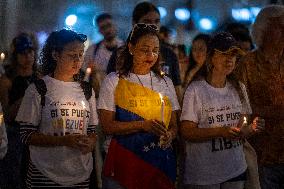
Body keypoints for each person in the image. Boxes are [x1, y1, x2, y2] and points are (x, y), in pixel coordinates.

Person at [98, 23, 180, 189]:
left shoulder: (165, 82)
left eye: (155, 50)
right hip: (123, 161)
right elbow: (107, 126)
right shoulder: (115, 80)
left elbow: (174, 126)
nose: (151, 55)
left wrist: (169, 135)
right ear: (131, 47)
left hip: (158, 163)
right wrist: (143, 125)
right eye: (145, 49)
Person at [180, 32, 265, 189]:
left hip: (235, 168)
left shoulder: (239, 88)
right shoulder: (196, 90)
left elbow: (242, 130)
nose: (230, 59)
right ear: (211, 57)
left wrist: (252, 128)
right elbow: (187, 132)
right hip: (204, 174)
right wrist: (220, 131)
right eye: (224, 54)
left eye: (233, 55)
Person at [15, 29, 98, 188]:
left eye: (81, 54)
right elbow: (26, 135)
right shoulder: (38, 89)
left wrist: (91, 141)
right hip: (45, 175)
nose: (78, 60)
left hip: (80, 175)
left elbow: (92, 129)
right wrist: (63, 141)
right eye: (72, 55)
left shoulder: (87, 90)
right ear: (55, 55)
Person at [237, 5, 284, 189]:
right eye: (280, 27)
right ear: (264, 29)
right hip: (263, 154)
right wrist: (270, 112)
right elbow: (240, 106)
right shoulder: (247, 64)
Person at [107, 1, 182, 103]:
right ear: (134, 23)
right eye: (147, 21)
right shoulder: (119, 54)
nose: (152, 26)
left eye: (156, 21)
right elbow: (110, 92)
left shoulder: (169, 54)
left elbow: (177, 90)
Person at [0, 33, 38, 189]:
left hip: (37, 134)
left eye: (30, 52)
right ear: (16, 56)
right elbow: (6, 115)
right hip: (15, 134)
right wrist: (25, 97)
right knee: (13, 177)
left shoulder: (39, 78)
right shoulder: (6, 81)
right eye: (23, 53)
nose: (28, 57)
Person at [83, 13, 124, 97]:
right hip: (101, 97)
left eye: (109, 25)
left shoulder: (126, 48)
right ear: (99, 30)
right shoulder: (92, 50)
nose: (107, 30)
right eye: (103, 27)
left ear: (114, 25)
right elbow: (84, 72)